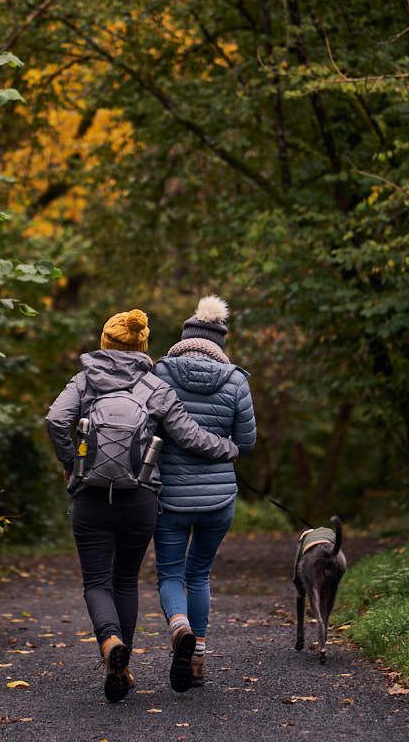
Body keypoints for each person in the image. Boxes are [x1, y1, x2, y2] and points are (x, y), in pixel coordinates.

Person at [45, 309, 241, 703]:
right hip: (140, 498)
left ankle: (112, 648)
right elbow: (189, 436)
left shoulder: (84, 381)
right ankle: (124, 660)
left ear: (104, 342)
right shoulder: (154, 387)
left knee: (97, 582)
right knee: (125, 581)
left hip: (91, 498)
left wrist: (73, 464)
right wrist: (229, 448)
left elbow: (54, 420)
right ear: (143, 345)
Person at [151, 296, 256, 692]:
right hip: (219, 498)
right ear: (219, 344)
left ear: (184, 337)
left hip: (169, 497)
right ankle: (196, 662)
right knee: (199, 573)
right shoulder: (235, 381)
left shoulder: (159, 374)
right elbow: (245, 442)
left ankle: (179, 627)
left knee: (171, 573)